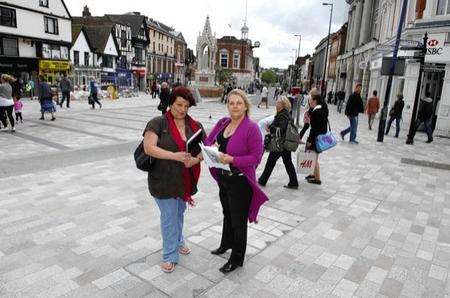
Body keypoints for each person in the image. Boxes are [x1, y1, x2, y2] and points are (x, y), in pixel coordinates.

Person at [143, 86, 205, 273]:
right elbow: (149, 148)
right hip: (162, 180)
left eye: (186, 105)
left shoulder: (195, 126)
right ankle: (170, 255)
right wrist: (174, 156)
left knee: (178, 214)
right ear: (171, 103)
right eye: (179, 104)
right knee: (169, 217)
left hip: (184, 181)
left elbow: (207, 149)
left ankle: (178, 241)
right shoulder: (158, 123)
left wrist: (195, 159)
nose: (182, 109)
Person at [205, 89, 267, 274]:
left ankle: (237, 258)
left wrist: (232, 160)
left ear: (245, 105)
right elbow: (208, 141)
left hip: (241, 182)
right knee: (227, 214)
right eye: (231, 103)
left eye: (239, 103)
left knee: (238, 221)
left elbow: (256, 157)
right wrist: (212, 147)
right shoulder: (223, 123)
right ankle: (226, 244)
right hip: (224, 179)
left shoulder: (251, 128)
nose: (235, 106)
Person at [258, 96, 299, 189]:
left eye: (278, 103)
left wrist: (271, 128)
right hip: (284, 143)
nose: (276, 104)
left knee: (271, 161)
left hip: (280, 143)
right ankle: (294, 182)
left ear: (282, 104)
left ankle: (263, 180)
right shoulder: (285, 113)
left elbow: (281, 129)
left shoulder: (282, 115)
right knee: (287, 162)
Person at [305, 88, 329, 185]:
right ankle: (312, 174)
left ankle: (317, 178)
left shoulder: (316, 112)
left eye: (310, 99)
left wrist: (310, 140)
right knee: (313, 156)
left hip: (316, 137)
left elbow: (314, 129)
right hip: (320, 136)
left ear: (314, 100)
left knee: (314, 158)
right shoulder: (322, 108)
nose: (309, 101)